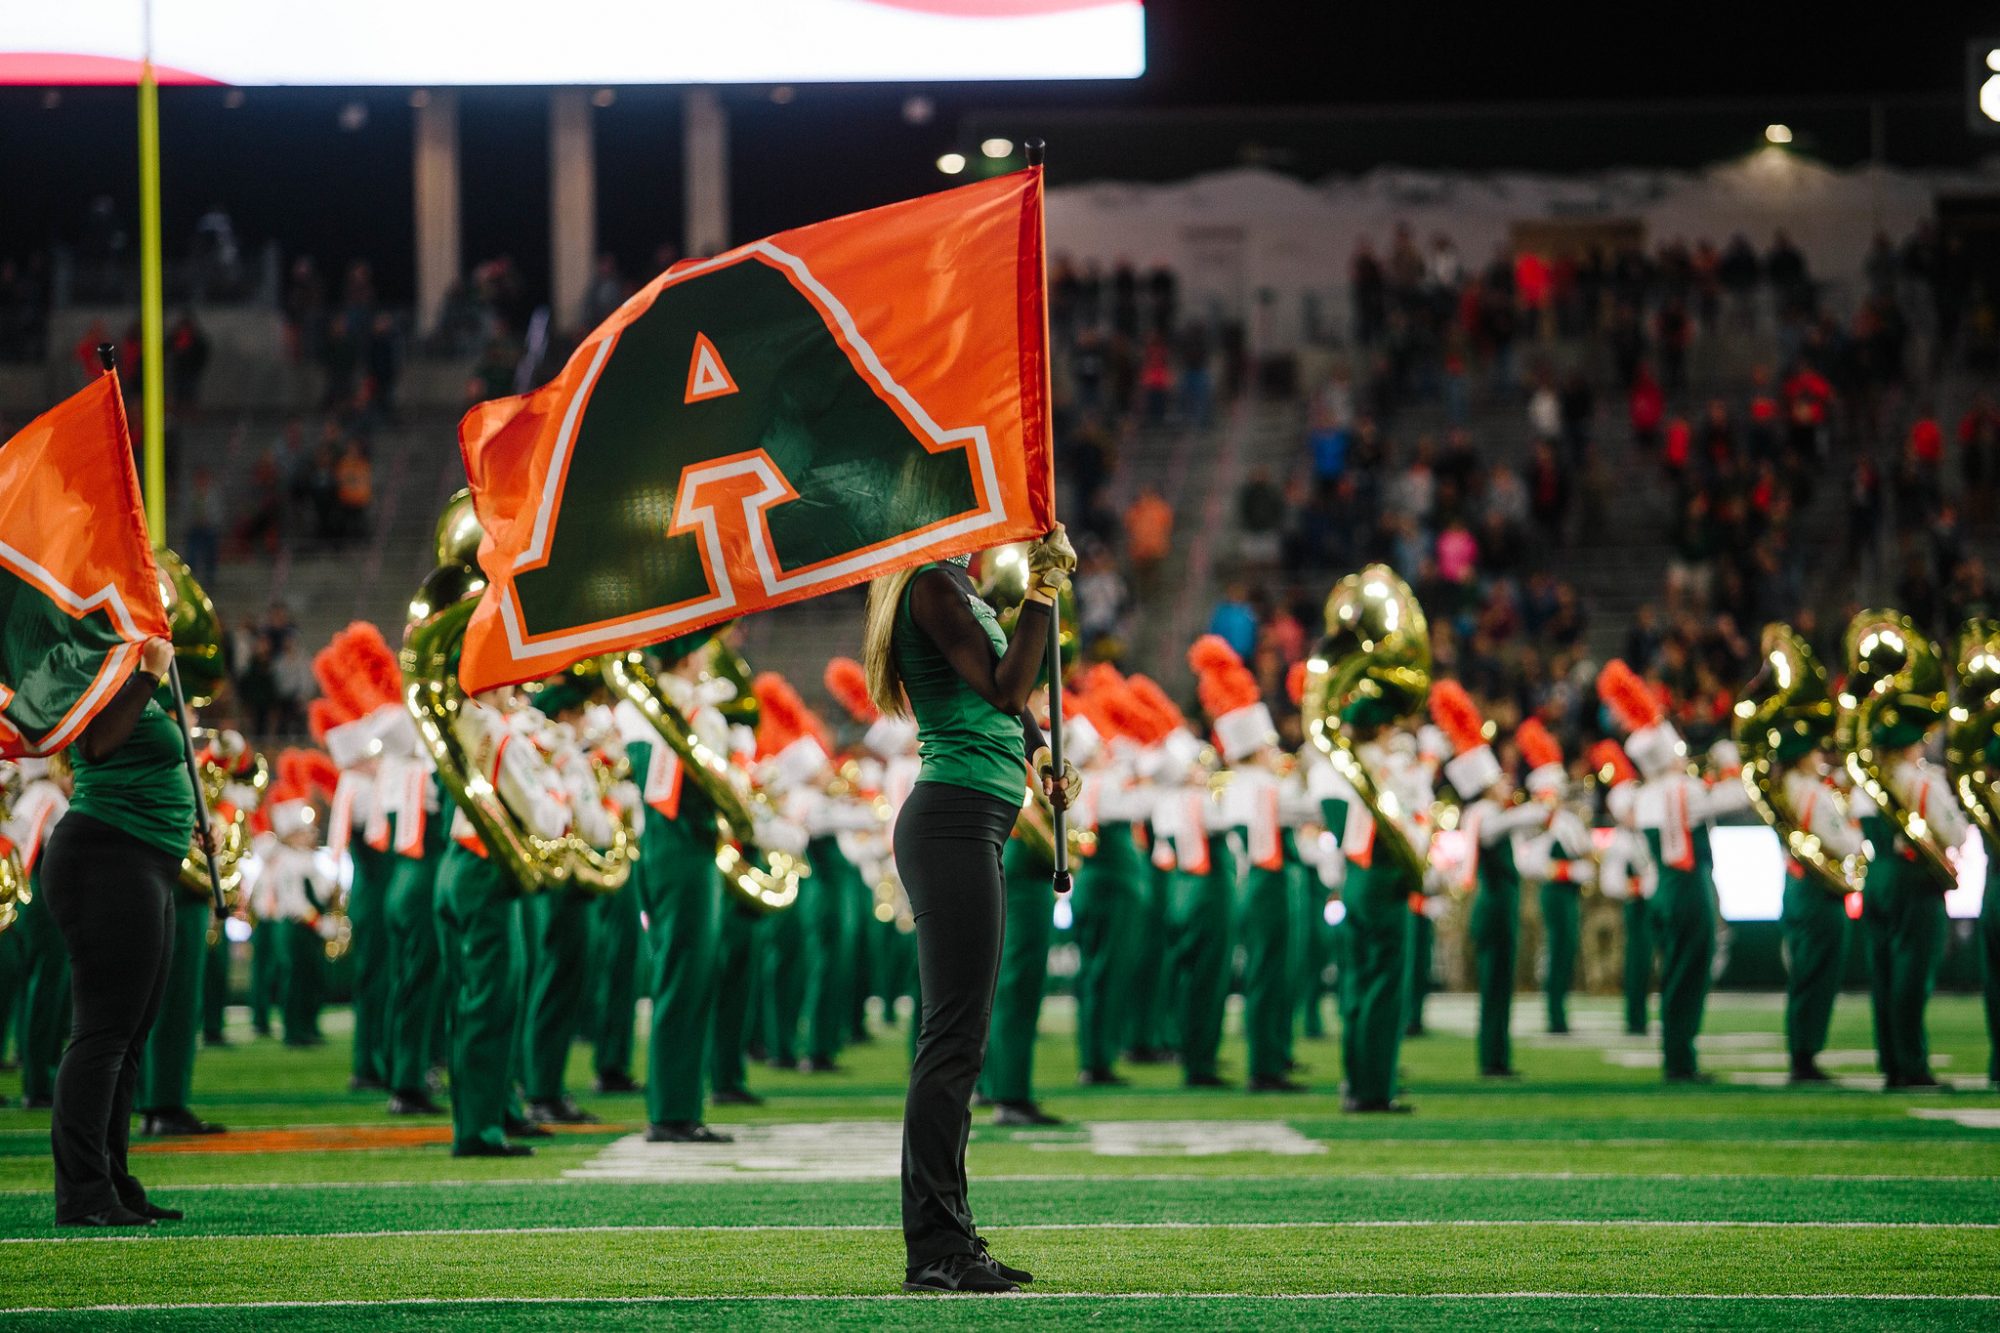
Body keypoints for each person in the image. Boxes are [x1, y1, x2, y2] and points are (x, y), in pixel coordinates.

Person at [861, 528, 1075, 1295]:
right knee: (951, 1041)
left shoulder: (952, 581)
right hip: (952, 821)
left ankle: (951, 1231)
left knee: (962, 1041)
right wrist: (1043, 592)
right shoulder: (930, 583)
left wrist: (1041, 753)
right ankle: (935, 1247)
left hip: (969, 820)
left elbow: (1011, 707)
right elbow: (1007, 687)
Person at [42, 636, 195, 1225]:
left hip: (143, 859)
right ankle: (83, 1193)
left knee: (128, 1039)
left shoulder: (123, 677)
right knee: (103, 1034)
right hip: (107, 856)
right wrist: (150, 675)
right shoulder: (91, 668)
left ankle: (112, 1178)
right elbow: (98, 745)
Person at [1598, 661, 1746, 1083]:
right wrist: (1730, 762)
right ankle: (1681, 1057)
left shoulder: (1643, 796)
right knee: (1689, 972)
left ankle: (1676, 1053)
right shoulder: (1683, 790)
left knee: (1674, 971)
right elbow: (1738, 796)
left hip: (1661, 887)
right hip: (1687, 887)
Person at [1772, 734, 1861, 1083]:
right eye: (1814, 750)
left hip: (1795, 885)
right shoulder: (1813, 792)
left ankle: (1801, 1049)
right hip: (1818, 888)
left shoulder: (1782, 789)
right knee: (1817, 973)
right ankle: (1805, 1053)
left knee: (1803, 971)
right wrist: (1856, 834)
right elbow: (1841, 841)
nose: (1820, 756)